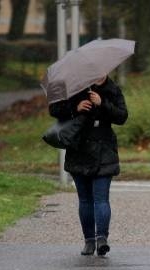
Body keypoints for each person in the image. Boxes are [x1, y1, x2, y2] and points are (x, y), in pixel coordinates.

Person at [48, 76, 128, 256]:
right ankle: (89, 241)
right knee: (85, 200)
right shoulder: (75, 86)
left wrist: (102, 104)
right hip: (79, 149)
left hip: (104, 149)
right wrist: (74, 108)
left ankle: (102, 239)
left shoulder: (112, 89)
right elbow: (54, 109)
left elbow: (122, 116)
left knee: (101, 198)